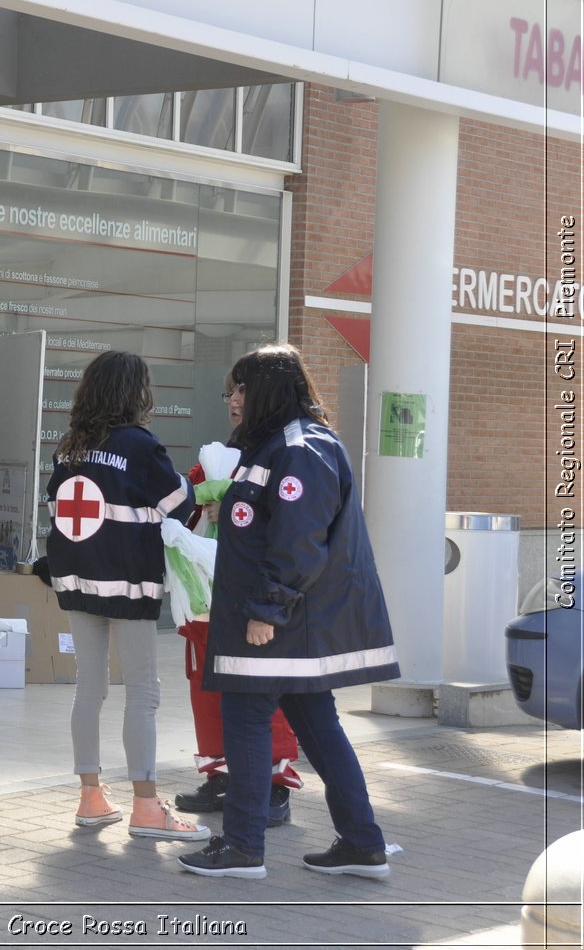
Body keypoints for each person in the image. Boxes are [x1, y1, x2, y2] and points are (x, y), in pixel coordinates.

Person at [179, 343, 399, 880]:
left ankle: (242, 847)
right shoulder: (277, 445)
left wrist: (267, 610)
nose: (231, 399)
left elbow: (300, 541)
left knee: (248, 719)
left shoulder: (299, 447)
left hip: (280, 621)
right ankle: (362, 843)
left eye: (240, 388)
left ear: (267, 391)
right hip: (288, 622)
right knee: (318, 726)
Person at [43, 350, 206, 842]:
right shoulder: (139, 445)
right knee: (143, 691)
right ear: (136, 392)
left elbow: (57, 504)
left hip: (75, 580)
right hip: (128, 582)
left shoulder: (69, 446)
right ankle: (146, 807)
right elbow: (181, 503)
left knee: (88, 687)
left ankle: (91, 798)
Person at [173, 378, 304, 826]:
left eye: (244, 391)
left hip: (256, 600)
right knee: (206, 688)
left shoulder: (289, 452)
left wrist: (230, 504)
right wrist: (200, 500)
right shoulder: (218, 454)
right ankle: (221, 776)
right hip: (207, 593)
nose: (234, 401)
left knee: (264, 692)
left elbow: (293, 527)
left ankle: (273, 786)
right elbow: (184, 504)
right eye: (228, 392)